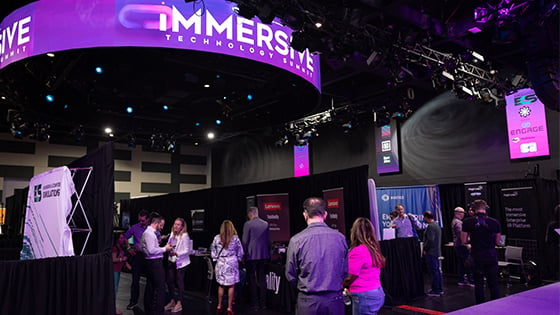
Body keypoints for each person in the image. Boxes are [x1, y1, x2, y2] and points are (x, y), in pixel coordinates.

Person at [286, 197, 348, 315]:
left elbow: (290, 274)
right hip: (335, 300)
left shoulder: (296, 240)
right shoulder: (340, 238)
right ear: (325, 214)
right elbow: (345, 271)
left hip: (308, 301)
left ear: (305, 215)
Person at [343, 217, 386, 315]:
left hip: (365, 296)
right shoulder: (373, 248)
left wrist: (341, 285)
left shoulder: (358, 251)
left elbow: (350, 277)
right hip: (377, 292)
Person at [462, 199, 501, 304]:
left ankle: (480, 307)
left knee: (479, 284)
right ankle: (497, 306)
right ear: (485, 208)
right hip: (491, 256)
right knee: (493, 283)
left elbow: (463, 240)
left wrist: (473, 240)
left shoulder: (467, 222)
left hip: (477, 256)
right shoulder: (495, 222)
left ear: (473, 209)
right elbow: (498, 242)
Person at [141, 213, 173, 315]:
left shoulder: (149, 233)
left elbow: (150, 248)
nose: (162, 228)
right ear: (156, 223)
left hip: (151, 263)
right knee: (160, 288)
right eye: (161, 225)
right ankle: (158, 311)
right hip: (154, 263)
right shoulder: (149, 234)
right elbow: (151, 251)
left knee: (150, 286)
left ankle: (149, 309)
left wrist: (159, 246)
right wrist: (165, 249)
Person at [211, 220, 244, 315]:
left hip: (221, 263)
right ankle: (229, 307)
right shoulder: (235, 239)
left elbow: (213, 250)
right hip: (231, 263)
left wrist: (215, 259)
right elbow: (240, 252)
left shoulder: (217, 238)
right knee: (231, 286)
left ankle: (219, 305)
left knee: (221, 285)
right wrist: (238, 258)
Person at [242, 206, 270, 311]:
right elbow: (268, 241)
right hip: (263, 255)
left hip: (251, 255)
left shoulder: (248, 224)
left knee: (252, 279)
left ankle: (255, 304)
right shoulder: (265, 224)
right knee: (262, 279)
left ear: (250, 214)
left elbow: (245, 241)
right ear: (257, 213)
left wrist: (243, 255)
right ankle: (264, 304)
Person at [123, 209, 149, 310]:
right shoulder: (135, 227)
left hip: (149, 256)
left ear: (147, 220)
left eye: (143, 220)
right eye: (140, 220)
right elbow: (125, 237)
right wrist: (129, 248)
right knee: (135, 280)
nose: (141, 222)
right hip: (138, 255)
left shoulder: (151, 228)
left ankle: (149, 302)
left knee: (150, 280)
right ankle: (133, 301)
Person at [164, 218, 192, 313]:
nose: (176, 226)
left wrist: (177, 253)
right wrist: (167, 249)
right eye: (175, 224)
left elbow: (188, 250)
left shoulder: (185, 236)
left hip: (181, 262)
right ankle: (172, 301)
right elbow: (169, 244)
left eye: (178, 224)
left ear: (182, 227)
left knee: (179, 282)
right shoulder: (172, 234)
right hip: (171, 260)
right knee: (170, 281)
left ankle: (179, 303)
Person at [451, 207, 474, 286]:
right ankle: (471, 280)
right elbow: (461, 234)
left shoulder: (454, 221)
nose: (464, 214)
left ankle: (461, 280)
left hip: (457, 245)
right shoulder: (458, 222)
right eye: (463, 213)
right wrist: (467, 243)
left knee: (461, 263)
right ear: (459, 213)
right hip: (462, 245)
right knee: (468, 262)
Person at [422, 211, 443, 296]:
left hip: (431, 252)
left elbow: (430, 239)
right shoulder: (436, 225)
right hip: (436, 251)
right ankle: (439, 289)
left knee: (434, 271)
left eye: (424, 217)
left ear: (427, 217)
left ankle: (436, 290)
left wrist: (425, 249)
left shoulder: (430, 226)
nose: (423, 219)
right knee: (436, 271)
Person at [112, 232, 131, 315]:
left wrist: (126, 263)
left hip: (118, 270)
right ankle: (113, 308)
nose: (122, 239)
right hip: (114, 270)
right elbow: (113, 259)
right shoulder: (115, 248)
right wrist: (122, 259)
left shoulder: (121, 247)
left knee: (116, 289)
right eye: (120, 238)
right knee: (114, 290)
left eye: (123, 238)